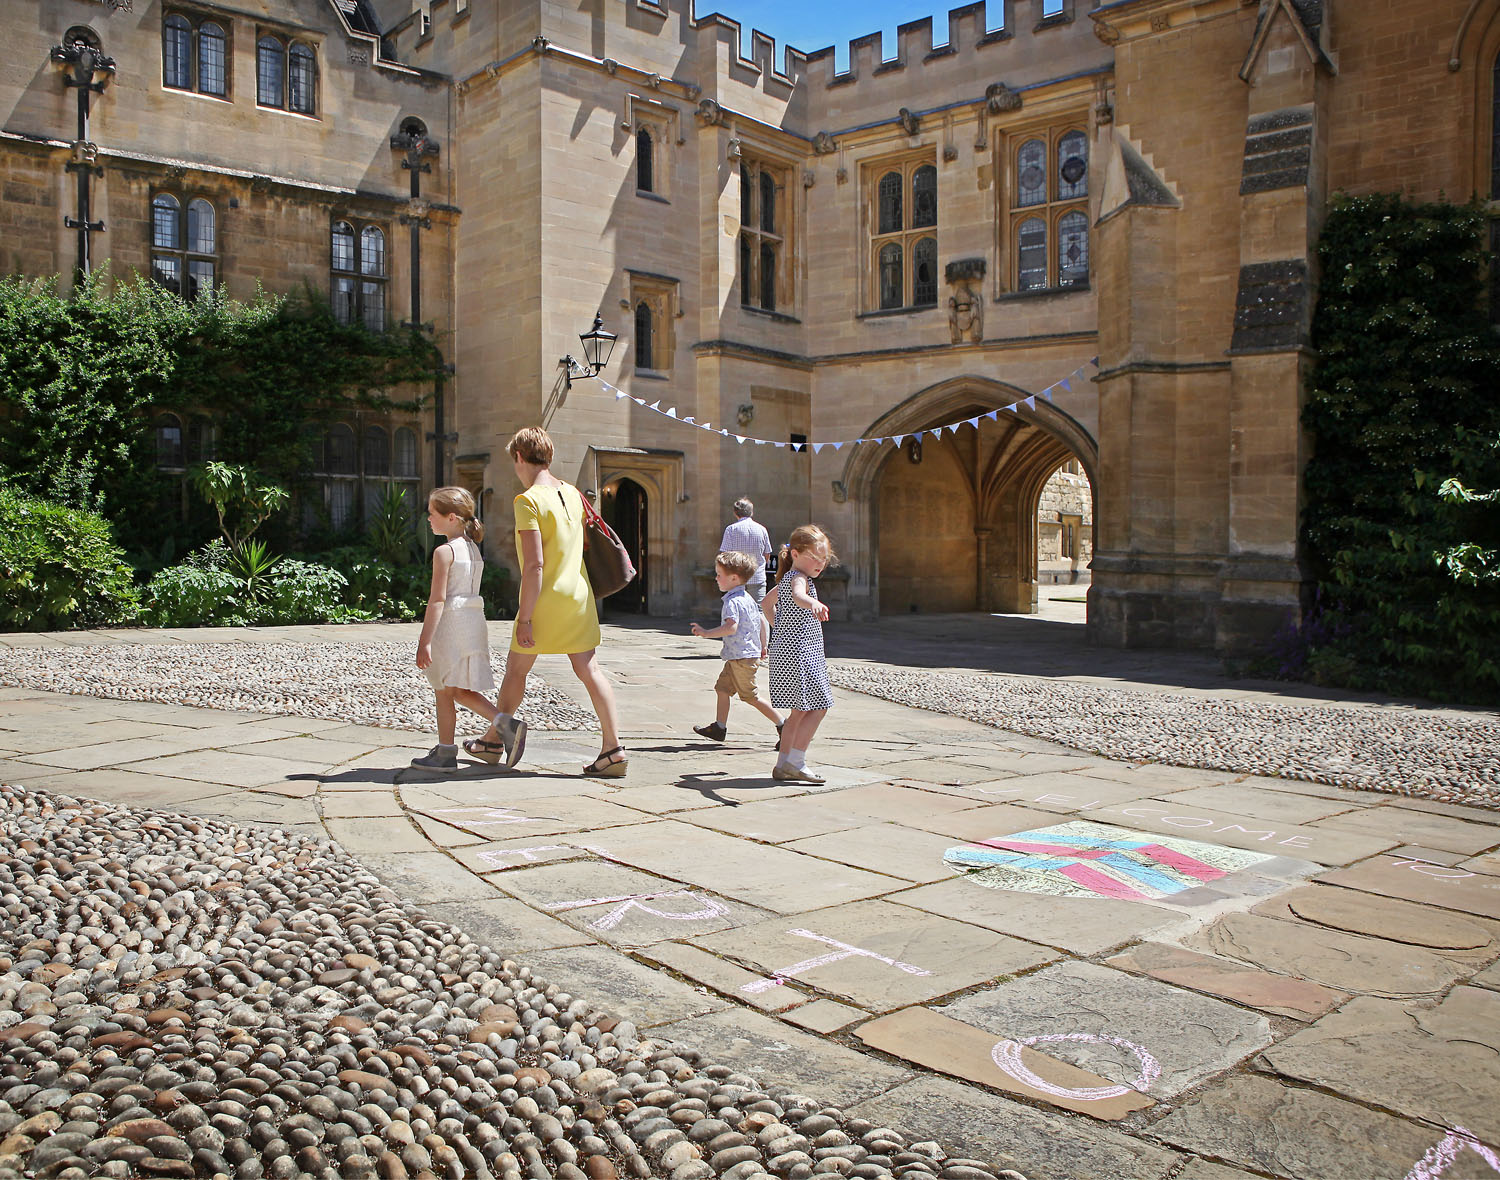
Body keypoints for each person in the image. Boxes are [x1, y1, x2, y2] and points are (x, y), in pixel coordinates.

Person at [463, 426, 626, 776]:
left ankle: (493, 740)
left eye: (515, 461)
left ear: (519, 457)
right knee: (590, 670)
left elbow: (535, 565)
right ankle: (613, 748)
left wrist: (525, 618)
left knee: (516, 670)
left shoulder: (527, 500)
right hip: (579, 595)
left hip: (546, 597)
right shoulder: (572, 493)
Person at [411, 486, 505, 772]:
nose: (428, 519)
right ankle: (505, 724)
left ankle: (446, 753)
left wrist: (424, 641)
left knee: (442, 689)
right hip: (473, 622)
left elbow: (437, 600)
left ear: (451, 517)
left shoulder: (444, 551)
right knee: (458, 689)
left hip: (450, 624)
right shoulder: (473, 549)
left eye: (432, 514)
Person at [762, 524, 835, 783]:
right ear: (795, 554)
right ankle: (797, 761)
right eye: (814, 558)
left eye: (824, 559)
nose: (819, 563)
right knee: (820, 705)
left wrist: (779, 628)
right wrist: (812, 602)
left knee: (799, 711)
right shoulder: (797, 578)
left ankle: (783, 764)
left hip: (791, 650)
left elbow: (766, 603)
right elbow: (798, 595)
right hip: (801, 652)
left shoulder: (787, 577)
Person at [690, 550, 783, 743]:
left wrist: (707, 633)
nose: (715, 578)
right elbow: (760, 621)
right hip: (738, 656)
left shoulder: (732, 602)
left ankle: (784, 724)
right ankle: (719, 727)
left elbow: (731, 628)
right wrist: (763, 645)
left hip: (742, 659)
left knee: (751, 697)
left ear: (733, 578)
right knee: (722, 689)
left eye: (719, 575)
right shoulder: (747, 598)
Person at [719, 496, 774, 605]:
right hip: (757, 576)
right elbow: (767, 554)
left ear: (735, 513)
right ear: (751, 512)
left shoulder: (731, 529)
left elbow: (724, 556)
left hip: (736, 578)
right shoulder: (762, 529)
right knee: (759, 611)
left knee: (736, 611)